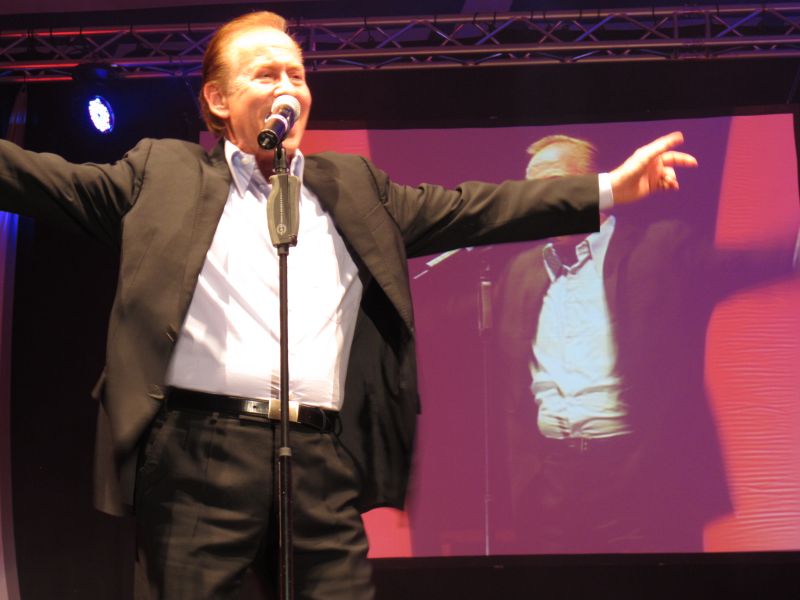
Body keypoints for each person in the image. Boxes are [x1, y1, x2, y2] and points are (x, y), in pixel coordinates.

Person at [0, 11, 697, 599]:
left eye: (297, 75)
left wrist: (607, 188)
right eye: (266, 74)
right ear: (217, 100)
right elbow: (40, 179)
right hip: (197, 457)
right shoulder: (164, 172)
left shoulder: (354, 186)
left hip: (319, 459)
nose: (288, 88)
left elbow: (477, 208)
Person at [491, 134, 798, 554]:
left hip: (639, 478)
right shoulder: (520, 273)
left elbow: (741, 265)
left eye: (553, 184)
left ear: (597, 187)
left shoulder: (660, 249)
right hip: (552, 484)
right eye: (531, 190)